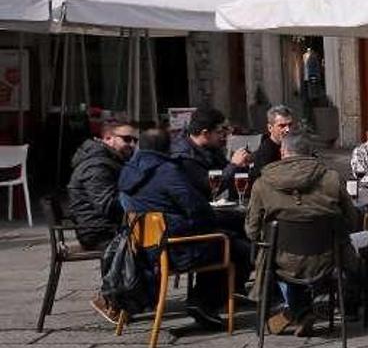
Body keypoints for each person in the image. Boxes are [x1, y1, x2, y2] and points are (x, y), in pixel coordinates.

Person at [119, 128, 251, 331]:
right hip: (177, 249)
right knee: (240, 248)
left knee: (223, 238)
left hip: (144, 249)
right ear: (167, 147)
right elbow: (198, 208)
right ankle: (205, 303)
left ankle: (203, 300)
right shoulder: (166, 171)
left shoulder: (128, 170)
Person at [245, 132, 361, 336]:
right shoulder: (331, 179)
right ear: (310, 153)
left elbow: (252, 231)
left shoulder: (263, 183)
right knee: (332, 248)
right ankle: (305, 311)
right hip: (327, 257)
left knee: (285, 256)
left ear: (283, 151)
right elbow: (352, 221)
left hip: (281, 260)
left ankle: (297, 312)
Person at [68, 121, 137, 251]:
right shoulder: (97, 166)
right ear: (108, 138)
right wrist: (139, 202)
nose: (132, 144)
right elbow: (108, 204)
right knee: (156, 243)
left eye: (134, 140)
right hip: (100, 232)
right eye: (127, 139)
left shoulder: (109, 160)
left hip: (108, 227)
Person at [171, 107, 252, 201]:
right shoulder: (184, 158)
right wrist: (234, 165)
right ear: (205, 133)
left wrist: (242, 165)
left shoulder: (211, 148)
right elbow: (210, 188)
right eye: (219, 132)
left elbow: (228, 176)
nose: (224, 137)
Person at [248, 105, 294, 187]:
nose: (288, 130)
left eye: (290, 125)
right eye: (282, 126)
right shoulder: (265, 153)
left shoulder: (293, 146)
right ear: (270, 128)